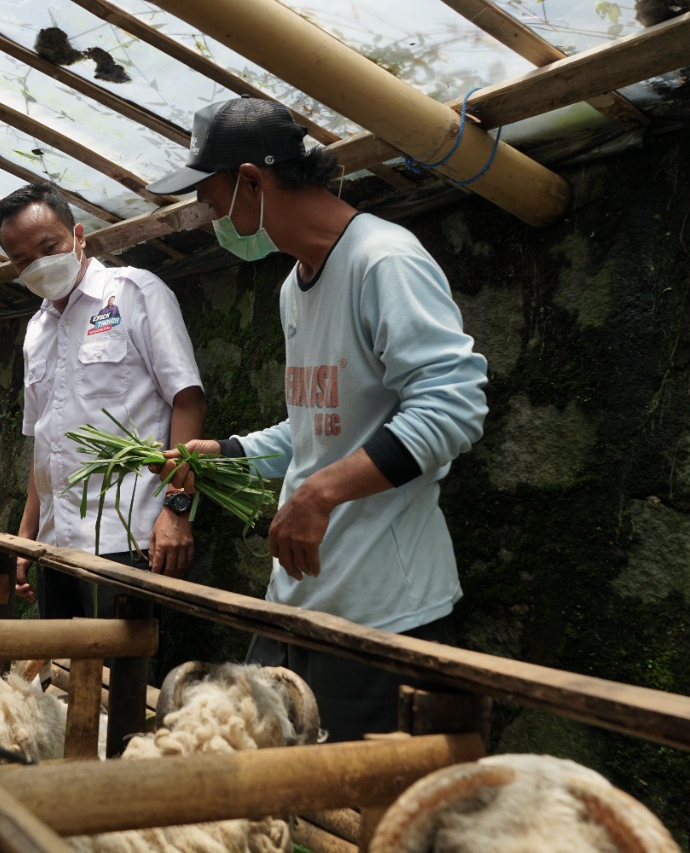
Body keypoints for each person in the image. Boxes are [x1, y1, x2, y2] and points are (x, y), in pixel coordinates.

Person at [146, 97, 488, 741]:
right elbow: (317, 425)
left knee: (347, 815)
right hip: (297, 601)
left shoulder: (383, 260)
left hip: (382, 616)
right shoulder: (293, 285)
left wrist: (322, 492)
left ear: (252, 180)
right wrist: (225, 451)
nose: (209, 215)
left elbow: (454, 404)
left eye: (213, 198)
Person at [0, 182, 206, 628]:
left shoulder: (135, 292)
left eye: (48, 246)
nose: (39, 264)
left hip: (125, 539)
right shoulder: (36, 330)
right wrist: (25, 539)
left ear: (79, 235)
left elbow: (187, 400)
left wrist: (177, 509)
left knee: (124, 687)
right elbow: (43, 443)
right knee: (63, 684)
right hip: (54, 546)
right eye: (22, 260)